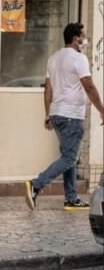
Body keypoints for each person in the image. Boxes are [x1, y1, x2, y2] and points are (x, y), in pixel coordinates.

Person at [25, 22, 104, 210]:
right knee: (69, 158)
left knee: (69, 155)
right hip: (71, 115)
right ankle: (36, 184)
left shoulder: (53, 58)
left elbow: (48, 89)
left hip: (57, 114)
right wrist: (102, 109)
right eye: (83, 36)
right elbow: (89, 85)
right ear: (75, 39)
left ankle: (71, 198)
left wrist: (48, 114)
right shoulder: (79, 58)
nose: (85, 39)